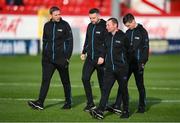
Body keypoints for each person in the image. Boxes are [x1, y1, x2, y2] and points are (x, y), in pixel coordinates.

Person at [27, 6, 73, 110]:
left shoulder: (65, 25)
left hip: (61, 59)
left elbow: (70, 42)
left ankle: (68, 102)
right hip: (48, 60)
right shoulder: (47, 25)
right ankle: (40, 102)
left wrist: (67, 57)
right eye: (56, 15)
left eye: (59, 14)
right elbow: (45, 41)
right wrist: (44, 57)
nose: (58, 16)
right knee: (45, 80)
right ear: (51, 15)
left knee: (65, 81)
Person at [89, 18, 130, 119]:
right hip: (109, 69)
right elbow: (104, 48)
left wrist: (124, 63)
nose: (106, 27)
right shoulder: (106, 36)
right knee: (105, 90)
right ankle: (100, 111)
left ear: (115, 25)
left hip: (121, 69)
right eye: (106, 25)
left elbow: (130, 51)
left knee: (124, 90)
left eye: (108, 25)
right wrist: (101, 56)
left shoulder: (123, 37)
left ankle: (126, 110)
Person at [80, 8, 106, 112]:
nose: (92, 20)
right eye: (90, 18)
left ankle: (103, 104)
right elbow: (87, 40)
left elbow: (107, 43)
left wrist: (103, 56)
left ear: (99, 16)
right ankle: (90, 103)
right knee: (85, 78)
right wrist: (83, 52)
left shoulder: (105, 26)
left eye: (94, 18)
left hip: (101, 60)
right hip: (90, 58)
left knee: (102, 83)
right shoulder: (90, 26)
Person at [123, 13, 149, 113]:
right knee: (123, 83)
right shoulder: (127, 32)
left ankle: (142, 106)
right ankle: (120, 105)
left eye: (128, 25)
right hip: (128, 64)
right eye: (126, 26)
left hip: (138, 64)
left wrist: (143, 62)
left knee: (140, 85)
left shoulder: (143, 32)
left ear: (133, 21)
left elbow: (146, 48)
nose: (128, 27)